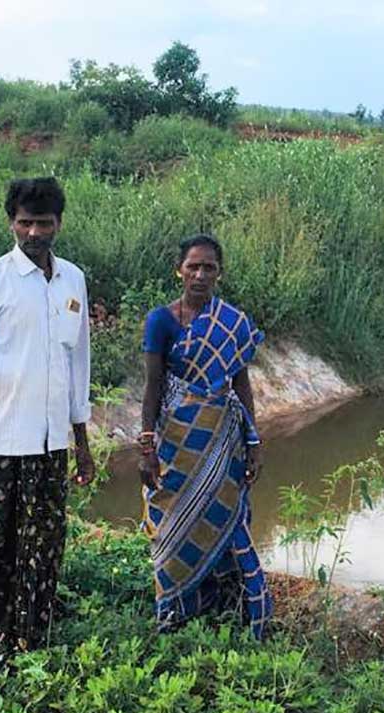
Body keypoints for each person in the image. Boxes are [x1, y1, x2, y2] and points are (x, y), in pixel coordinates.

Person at [0, 176, 95, 668]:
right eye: (25, 223)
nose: (34, 233)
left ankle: (27, 643)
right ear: (11, 222)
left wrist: (82, 442)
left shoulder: (73, 281)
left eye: (44, 223)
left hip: (51, 447)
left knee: (44, 549)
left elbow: (78, 364)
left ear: (59, 224)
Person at [137, 234, 272, 639]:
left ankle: (230, 605)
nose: (199, 274)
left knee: (225, 517)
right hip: (177, 440)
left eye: (208, 267)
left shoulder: (231, 324)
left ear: (219, 272)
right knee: (171, 521)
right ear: (178, 270)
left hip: (221, 439)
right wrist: (146, 446)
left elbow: (241, 384)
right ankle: (176, 612)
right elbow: (153, 385)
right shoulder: (160, 321)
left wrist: (254, 442)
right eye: (192, 266)